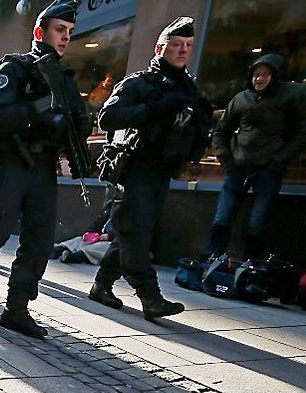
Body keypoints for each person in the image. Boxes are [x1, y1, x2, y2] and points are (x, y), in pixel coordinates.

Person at [0, 0, 89, 338]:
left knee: (39, 242)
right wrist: (38, 110)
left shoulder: (65, 81)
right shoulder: (14, 70)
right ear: (40, 32)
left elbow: (78, 124)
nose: (66, 37)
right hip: (13, 162)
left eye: (70, 32)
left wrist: (71, 129)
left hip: (44, 167)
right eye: (60, 30)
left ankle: (16, 309)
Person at [88, 17, 213, 320]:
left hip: (162, 171)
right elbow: (108, 118)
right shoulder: (140, 83)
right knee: (136, 232)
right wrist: (154, 109)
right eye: (176, 45)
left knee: (132, 232)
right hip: (135, 168)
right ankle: (150, 296)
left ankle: (101, 285)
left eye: (187, 46)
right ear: (160, 48)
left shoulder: (188, 90)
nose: (183, 51)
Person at [204, 53, 306, 259]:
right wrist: (227, 161)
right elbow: (220, 132)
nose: (259, 79)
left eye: (265, 74)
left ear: (276, 76)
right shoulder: (241, 98)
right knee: (221, 220)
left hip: (268, 171)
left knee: (256, 224)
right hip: (237, 168)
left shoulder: (293, 95)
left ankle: (250, 268)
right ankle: (210, 262)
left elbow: (303, 133)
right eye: (256, 74)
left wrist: (278, 162)